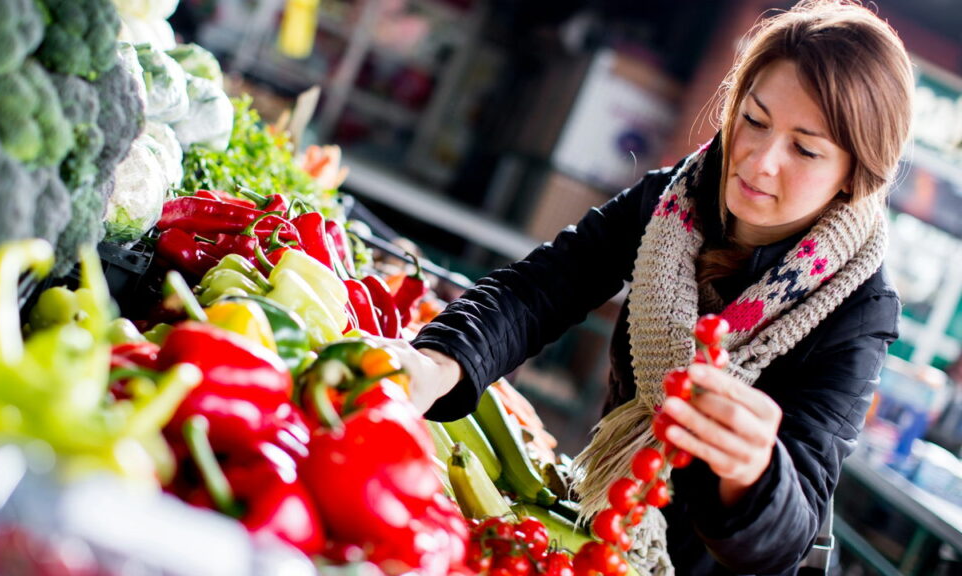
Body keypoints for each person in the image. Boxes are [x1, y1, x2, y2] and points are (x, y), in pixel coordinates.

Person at [386, 0, 913, 574]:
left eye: (805, 149)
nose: (760, 161)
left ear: (853, 177)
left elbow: (791, 532)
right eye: (754, 120)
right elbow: (541, 289)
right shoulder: (673, 202)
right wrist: (437, 363)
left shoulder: (860, 307)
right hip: (601, 530)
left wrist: (756, 471)